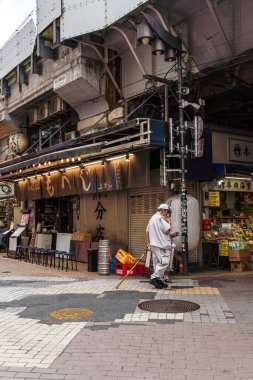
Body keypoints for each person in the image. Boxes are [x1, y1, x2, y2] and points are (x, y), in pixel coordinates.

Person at [146, 203, 178, 289]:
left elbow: (147, 231)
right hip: (161, 245)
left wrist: (148, 242)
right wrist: (174, 233)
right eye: (167, 212)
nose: (167, 214)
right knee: (164, 262)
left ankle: (159, 281)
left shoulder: (152, 218)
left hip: (154, 244)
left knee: (158, 263)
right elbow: (167, 230)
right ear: (163, 210)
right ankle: (154, 277)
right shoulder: (160, 218)